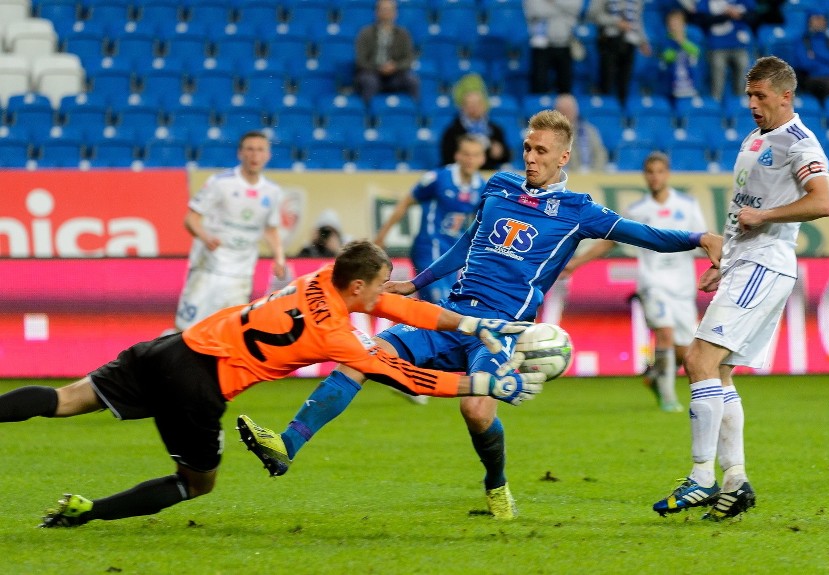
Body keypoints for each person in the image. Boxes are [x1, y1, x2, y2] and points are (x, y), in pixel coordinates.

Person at [239, 110, 722, 521]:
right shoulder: (500, 185)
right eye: (527, 147)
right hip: (451, 314)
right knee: (363, 355)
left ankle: (497, 485)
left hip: (500, 333)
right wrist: (417, 283)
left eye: (540, 151)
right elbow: (467, 243)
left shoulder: (579, 211)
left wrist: (700, 238)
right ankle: (286, 446)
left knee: (475, 411)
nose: (530, 157)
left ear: (563, 157)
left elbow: (645, 233)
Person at [0, 240, 545, 527]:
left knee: (65, 399)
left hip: (171, 347)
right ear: (356, 285)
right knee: (196, 484)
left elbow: (401, 306)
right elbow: (412, 377)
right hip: (199, 387)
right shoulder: (341, 339)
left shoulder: (315, 280)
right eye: (378, 286)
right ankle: (86, 511)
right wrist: (492, 387)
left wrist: (472, 323)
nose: (386, 295)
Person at [652, 56, 829, 521]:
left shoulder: (799, 143)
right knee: (721, 373)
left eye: (760, 96)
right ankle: (735, 481)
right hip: (745, 264)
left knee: (698, 360)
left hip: (766, 264)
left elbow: (824, 202)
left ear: (785, 96)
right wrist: (725, 261)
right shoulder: (755, 139)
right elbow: (743, 209)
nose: (751, 104)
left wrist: (767, 217)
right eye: (748, 95)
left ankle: (700, 477)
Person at [560, 152, 707, 412]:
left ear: (667, 173)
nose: (655, 177)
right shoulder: (637, 211)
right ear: (645, 175)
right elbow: (610, 240)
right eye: (650, 172)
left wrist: (721, 264)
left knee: (686, 354)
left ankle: (654, 376)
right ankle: (668, 396)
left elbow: (704, 240)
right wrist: (575, 263)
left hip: (682, 286)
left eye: (660, 171)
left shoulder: (688, 205)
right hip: (653, 283)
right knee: (665, 334)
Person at [172, 131, 287, 332]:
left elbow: (270, 228)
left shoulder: (272, 192)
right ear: (240, 153)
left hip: (240, 274)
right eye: (249, 149)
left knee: (228, 333)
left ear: (268, 155)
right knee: (184, 330)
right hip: (208, 268)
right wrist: (205, 237)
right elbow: (191, 219)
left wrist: (279, 258)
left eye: (260, 150)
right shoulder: (220, 183)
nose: (255, 155)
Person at [375, 134, 486, 304]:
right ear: (457, 155)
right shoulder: (438, 179)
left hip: (452, 255)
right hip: (428, 249)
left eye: (475, 155)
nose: (470, 159)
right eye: (466, 154)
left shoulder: (481, 187)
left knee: (440, 306)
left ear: (482, 158)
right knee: (440, 303)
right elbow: (406, 202)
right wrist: (381, 236)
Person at [354, 0, 420, 104]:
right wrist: (378, 68)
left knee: (412, 80)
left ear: (395, 13)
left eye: (389, 10)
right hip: (372, 73)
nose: (386, 13)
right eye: (383, 10)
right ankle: (368, 115)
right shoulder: (365, 33)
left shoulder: (403, 34)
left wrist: (395, 66)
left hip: (395, 74)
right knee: (369, 82)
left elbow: (408, 59)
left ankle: (415, 113)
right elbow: (361, 60)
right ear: (376, 12)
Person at [587, 0, 652, 104]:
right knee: (607, 81)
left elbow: (637, 20)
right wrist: (616, 22)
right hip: (609, 42)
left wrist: (643, 41)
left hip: (630, 42)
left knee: (624, 83)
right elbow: (593, 15)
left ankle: (620, 113)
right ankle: (605, 111)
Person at [693, 0, 754, 101]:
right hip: (717, 46)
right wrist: (727, 15)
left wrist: (740, 15)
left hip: (739, 45)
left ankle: (740, 104)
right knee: (718, 77)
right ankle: (716, 106)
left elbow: (754, 16)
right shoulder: (707, 2)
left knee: (744, 68)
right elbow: (702, 20)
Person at [523, 0, 584, 94]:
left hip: (565, 43)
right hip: (541, 44)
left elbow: (575, 7)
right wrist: (562, 11)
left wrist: (553, 2)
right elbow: (536, 10)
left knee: (565, 89)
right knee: (539, 85)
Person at [440, 90, 511, 171]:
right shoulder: (452, 131)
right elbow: (447, 159)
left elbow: (507, 156)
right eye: (469, 104)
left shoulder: (495, 130)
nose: (474, 107)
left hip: (488, 174)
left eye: (477, 104)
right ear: (462, 107)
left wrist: (501, 153)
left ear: (484, 106)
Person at [794, 11, 829, 104]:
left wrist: (816, 55)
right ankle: (828, 114)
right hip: (813, 77)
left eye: (822, 19)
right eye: (816, 19)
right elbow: (805, 64)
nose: (819, 22)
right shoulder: (803, 41)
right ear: (809, 22)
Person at [553, 93, 608, 173]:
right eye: (562, 110)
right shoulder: (549, 135)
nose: (566, 113)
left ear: (576, 110)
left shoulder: (590, 131)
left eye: (569, 109)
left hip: (589, 177)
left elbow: (600, 154)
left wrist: (595, 173)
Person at [659, 8, 702, 102]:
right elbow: (667, 57)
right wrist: (675, 43)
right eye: (671, 24)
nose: (674, 27)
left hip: (690, 85)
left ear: (683, 24)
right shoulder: (666, 40)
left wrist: (682, 41)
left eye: (676, 24)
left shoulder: (692, 37)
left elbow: (696, 51)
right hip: (672, 86)